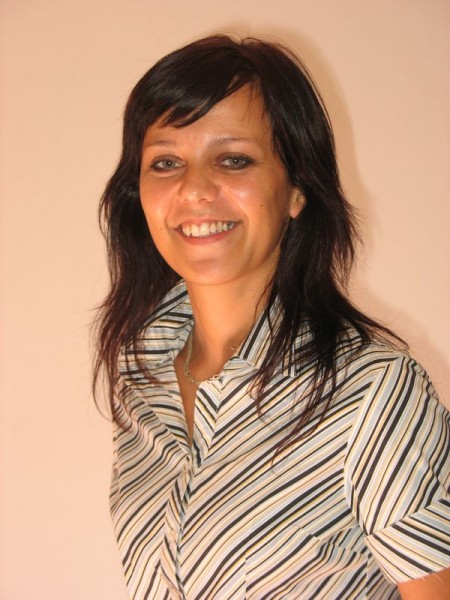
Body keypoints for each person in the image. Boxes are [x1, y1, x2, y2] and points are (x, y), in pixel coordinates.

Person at [94, 35, 450, 599]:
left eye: (233, 159)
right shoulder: (142, 376)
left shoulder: (372, 390)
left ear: (296, 190)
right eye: (166, 162)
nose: (193, 189)